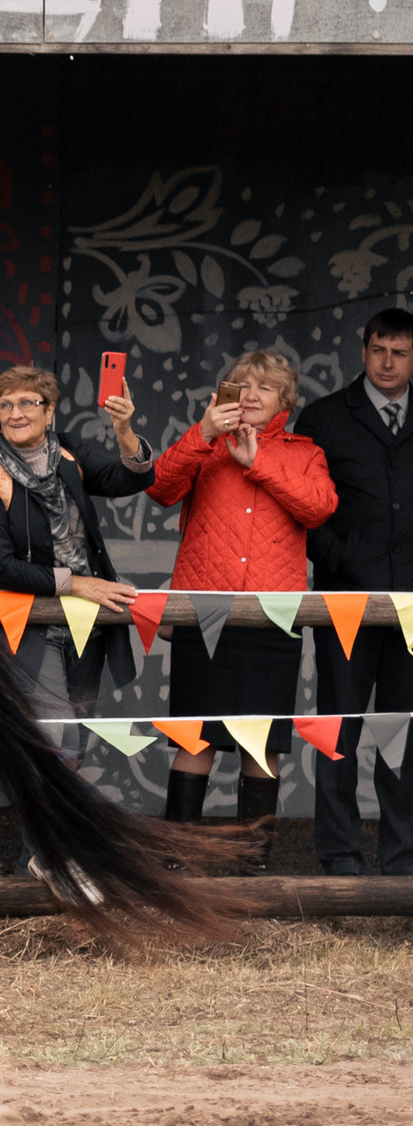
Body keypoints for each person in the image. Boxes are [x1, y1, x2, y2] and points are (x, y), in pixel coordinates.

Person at [148, 351, 337, 867]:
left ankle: (252, 868)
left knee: (262, 745)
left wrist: (260, 466)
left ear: (285, 401)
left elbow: (319, 508)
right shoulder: (204, 443)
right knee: (196, 739)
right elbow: (160, 488)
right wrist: (201, 433)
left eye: (265, 388)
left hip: (272, 617)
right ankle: (177, 863)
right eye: (240, 384)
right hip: (200, 612)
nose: (250, 395)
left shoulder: (305, 452)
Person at [0, 365, 151, 873]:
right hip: (23, 623)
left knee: (74, 746)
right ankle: (55, 857)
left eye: (28, 403)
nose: (16, 413)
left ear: (50, 412)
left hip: (84, 626)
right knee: (56, 740)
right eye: (5, 405)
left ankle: (43, 858)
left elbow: (132, 478)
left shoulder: (69, 453)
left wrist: (123, 431)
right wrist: (77, 583)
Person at [293, 309, 413, 876]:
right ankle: (340, 860)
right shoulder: (323, 418)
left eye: (400, 352)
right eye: (378, 350)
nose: (387, 362)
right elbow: (304, 506)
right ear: (362, 352)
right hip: (345, 599)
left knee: (404, 735)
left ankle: (402, 860)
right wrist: (340, 558)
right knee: (337, 733)